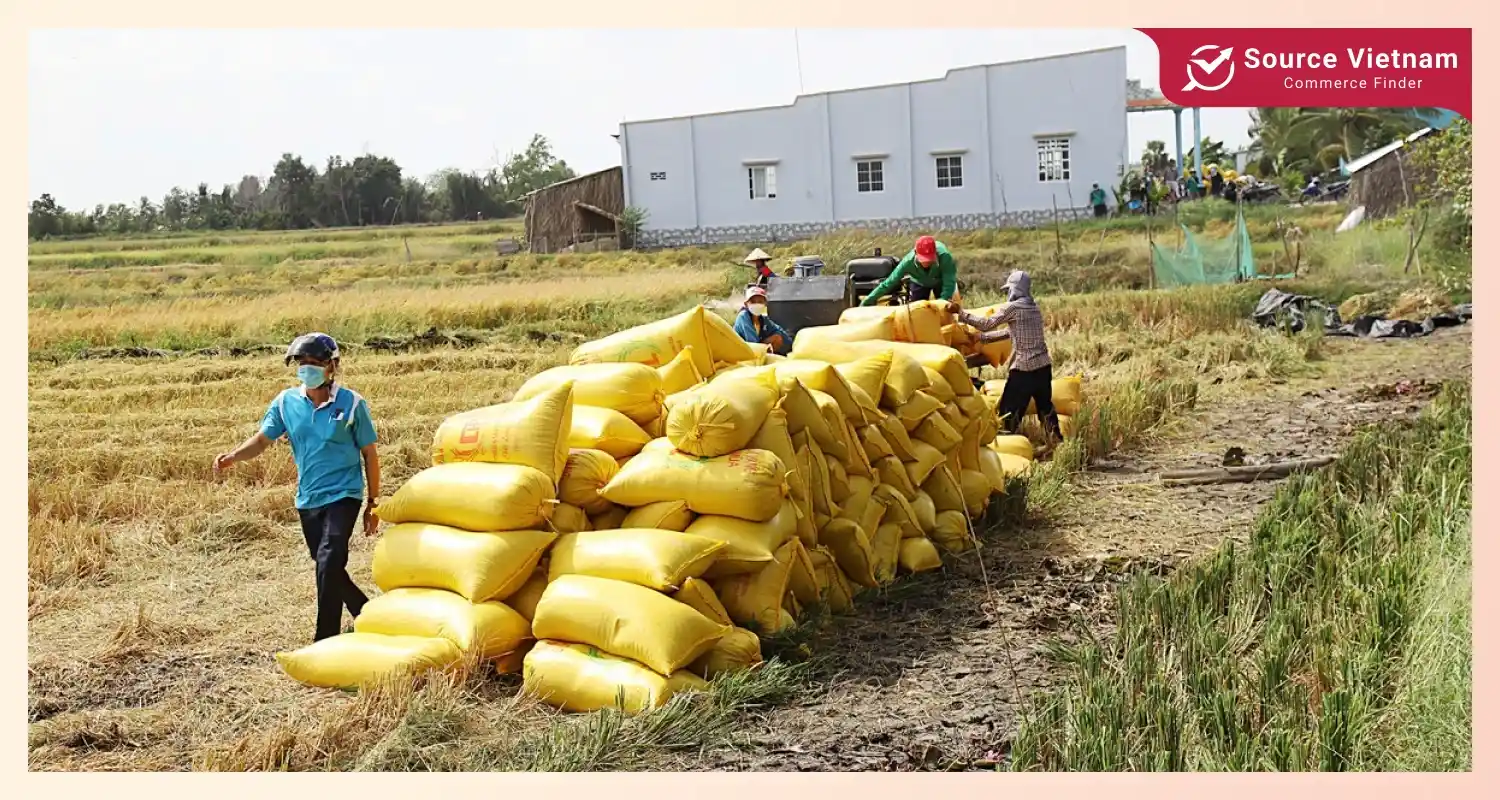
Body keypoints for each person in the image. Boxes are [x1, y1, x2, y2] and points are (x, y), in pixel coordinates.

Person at [213, 333, 381, 643]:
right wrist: (234, 456)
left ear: (332, 367)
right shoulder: (285, 402)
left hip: (344, 494)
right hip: (308, 498)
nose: (307, 369)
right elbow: (263, 439)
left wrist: (373, 502)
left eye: (314, 363)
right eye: (302, 364)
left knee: (330, 560)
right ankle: (364, 609)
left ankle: (325, 639)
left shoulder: (352, 403)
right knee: (326, 565)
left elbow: (370, 453)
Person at [949, 270, 1063, 444]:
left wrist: (961, 313)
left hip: (1024, 370)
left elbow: (987, 324)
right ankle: (1056, 442)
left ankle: (1006, 445)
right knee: (1045, 408)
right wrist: (982, 338)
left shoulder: (1013, 308)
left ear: (1015, 289)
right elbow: (1011, 332)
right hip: (1043, 367)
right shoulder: (1033, 307)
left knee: (1008, 412)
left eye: (1010, 289)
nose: (1009, 293)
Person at [858, 235, 958, 306]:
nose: (926, 263)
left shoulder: (945, 257)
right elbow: (889, 283)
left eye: (929, 259)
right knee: (918, 313)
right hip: (920, 282)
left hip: (940, 281)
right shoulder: (908, 262)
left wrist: (942, 302)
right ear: (916, 253)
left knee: (946, 308)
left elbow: (949, 282)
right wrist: (869, 300)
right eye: (923, 259)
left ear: (935, 254)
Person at [734, 286, 792, 355]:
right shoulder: (743, 317)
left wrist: (791, 345)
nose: (757, 304)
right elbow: (753, 342)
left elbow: (778, 330)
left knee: (777, 337)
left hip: (755, 348)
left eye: (760, 302)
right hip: (742, 350)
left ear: (765, 304)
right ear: (746, 304)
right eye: (753, 302)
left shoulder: (763, 320)